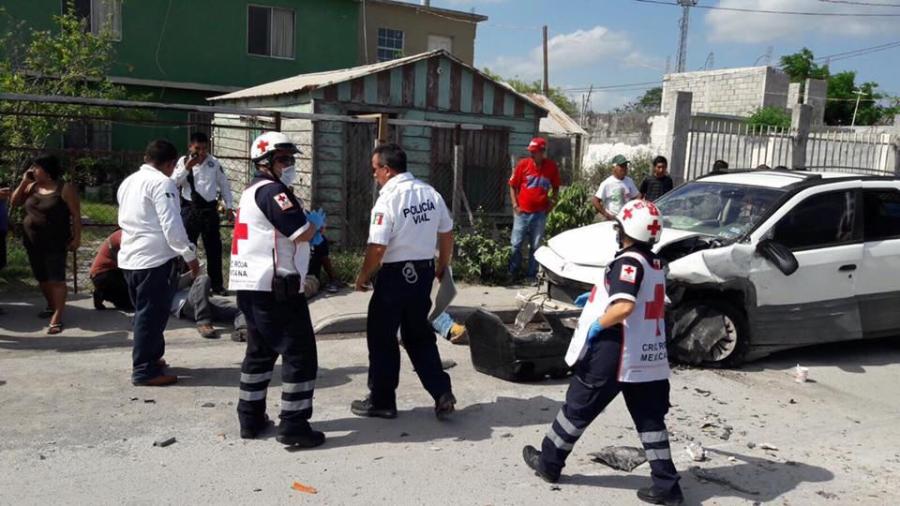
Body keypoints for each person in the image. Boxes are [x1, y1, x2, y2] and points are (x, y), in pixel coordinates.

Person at [522, 199, 683, 505]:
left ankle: (549, 463)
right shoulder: (657, 264)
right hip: (648, 356)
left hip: (616, 350)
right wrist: (600, 296)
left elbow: (625, 305)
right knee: (650, 421)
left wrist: (598, 322)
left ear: (624, 231)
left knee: (577, 408)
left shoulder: (628, 262)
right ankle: (667, 485)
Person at [228, 131, 324, 448]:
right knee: (300, 354)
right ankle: (294, 425)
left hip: (252, 286)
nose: (290, 165)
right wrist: (315, 227)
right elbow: (299, 232)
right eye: (283, 159)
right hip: (276, 288)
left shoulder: (250, 191)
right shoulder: (274, 193)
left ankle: (251, 418)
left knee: (260, 352)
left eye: (291, 159)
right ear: (265, 162)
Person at [352, 142, 456, 421]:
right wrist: (442, 265)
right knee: (419, 336)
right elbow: (446, 233)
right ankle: (441, 393)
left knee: (382, 337)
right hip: (422, 274)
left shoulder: (388, 199)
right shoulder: (430, 193)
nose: (374, 175)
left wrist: (363, 276)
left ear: (387, 170)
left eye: (375, 170)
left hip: (395, 276)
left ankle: (383, 401)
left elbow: (377, 247)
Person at [118, 140, 200, 387]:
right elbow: (172, 225)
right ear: (170, 164)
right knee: (150, 316)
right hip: (153, 260)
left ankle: (152, 358)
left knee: (145, 313)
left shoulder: (129, 181)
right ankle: (144, 370)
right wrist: (190, 256)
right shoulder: (162, 183)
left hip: (131, 257)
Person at [9, 155, 82, 335]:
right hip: (32, 240)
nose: (33, 170)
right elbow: (14, 202)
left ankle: (57, 316)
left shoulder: (64, 189)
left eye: (36, 167)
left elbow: (76, 215)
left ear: (47, 172)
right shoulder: (31, 186)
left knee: (56, 278)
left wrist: (76, 238)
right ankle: (51, 305)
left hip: (55, 241)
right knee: (41, 277)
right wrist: (23, 181)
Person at [171, 132, 234, 295]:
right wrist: (187, 167)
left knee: (214, 248)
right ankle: (186, 284)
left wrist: (229, 206)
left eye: (205, 148)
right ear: (190, 147)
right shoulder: (183, 162)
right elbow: (173, 183)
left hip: (209, 209)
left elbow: (224, 185)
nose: (202, 152)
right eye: (198, 148)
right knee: (187, 248)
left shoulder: (214, 163)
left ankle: (217, 285)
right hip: (189, 208)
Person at [507, 137, 560, 282]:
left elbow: (556, 188)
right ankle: (513, 273)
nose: (531, 154)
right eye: (530, 151)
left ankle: (531, 275)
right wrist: (515, 205)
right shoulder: (523, 165)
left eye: (534, 152)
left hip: (540, 214)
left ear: (542, 152)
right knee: (515, 244)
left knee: (536, 246)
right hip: (522, 213)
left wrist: (551, 205)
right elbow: (512, 185)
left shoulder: (551, 167)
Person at [171, 272, 247, 341]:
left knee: (240, 308)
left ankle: (243, 331)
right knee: (203, 278)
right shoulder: (162, 267)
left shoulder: (179, 263)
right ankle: (204, 323)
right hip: (185, 303)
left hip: (201, 298)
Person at [90, 229, 134, 311]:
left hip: (107, 273)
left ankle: (102, 292)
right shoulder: (122, 236)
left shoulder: (123, 234)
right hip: (104, 273)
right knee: (127, 305)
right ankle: (102, 292)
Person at [593, 154, 639, 221]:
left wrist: (634, 208)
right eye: (621, 166)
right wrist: (606, 214)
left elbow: (637, 196)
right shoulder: (607, 183)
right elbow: (595, 200)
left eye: (625, 166)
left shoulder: (629, 181)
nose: (624, 168)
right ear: (614, 167)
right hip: (612, 220)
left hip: (627, 218)